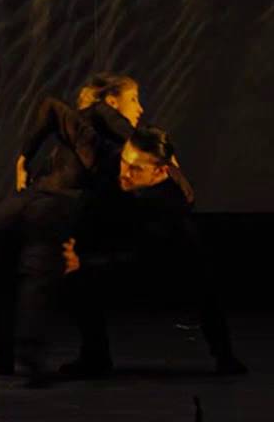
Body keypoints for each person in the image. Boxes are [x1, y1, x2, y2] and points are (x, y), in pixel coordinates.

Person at [0, 73, 139, 387]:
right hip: (42, 196)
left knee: (44, 265)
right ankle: (11, 354)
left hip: (58, 203)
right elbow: (54, 108)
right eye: (133, 99)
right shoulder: (97, 118)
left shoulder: (109, 146)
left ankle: (31, 355)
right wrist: (24, 157)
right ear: (111, 101)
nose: (140, 108)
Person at [61, 126, 247, 377]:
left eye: (136, 169)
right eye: (124, 162)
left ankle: (224, 355)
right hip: (126, 253)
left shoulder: (169, 207)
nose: (125, 173)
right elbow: (91, 206)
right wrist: (74, 246)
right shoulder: (119, 173)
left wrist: (85, 262)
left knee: (203, 284)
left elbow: (146, 258)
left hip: (167, 270)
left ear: (160, 171)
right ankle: (95, 356)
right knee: (73, 272)